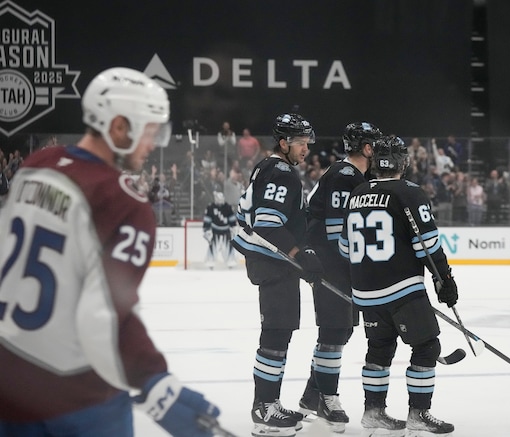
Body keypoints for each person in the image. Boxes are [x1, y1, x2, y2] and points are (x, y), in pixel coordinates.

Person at [0, 67, 220, 437]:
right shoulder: (123, 201)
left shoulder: (37, 164)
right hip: (78, 394)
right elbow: (104, 315)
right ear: (119, 127)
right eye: (149, 131)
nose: (153, 144)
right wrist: (153, 379)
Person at [339, 135, 458, 436]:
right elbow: (428, 246)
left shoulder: (356, 193)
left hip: (365, 293)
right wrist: (444, 279)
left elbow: (344, 248)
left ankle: (373, 412)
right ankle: (418, 413)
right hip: (401, 289)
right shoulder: (409, 192)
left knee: (378, 349)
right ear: (402, 162)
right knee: (427, 345)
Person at [232, 113, 324, 437]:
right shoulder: (280, 170)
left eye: (307, 143)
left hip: (272, 261)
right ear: (284, 143)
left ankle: (269, 402)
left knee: (279, 332)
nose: (306, 149)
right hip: (272, 262)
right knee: (275, 333)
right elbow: (268, 223)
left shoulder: (270, 168)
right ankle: (264, 407)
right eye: (301, 143)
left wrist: (302, 255)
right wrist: (301, 256)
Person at [298, 121, 382, 432]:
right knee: (334, 332)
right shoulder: (346, 177)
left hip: (335, 265)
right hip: (330, 266)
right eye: (375, 144)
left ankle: (311, 395)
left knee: (341, 331)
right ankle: (326, 399)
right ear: (367, 148)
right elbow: (336, 233)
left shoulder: (351, 175)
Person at [203, 191, 238, 269]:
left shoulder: (228, 207)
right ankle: (210, 262)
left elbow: (232, 219)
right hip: (215, 231)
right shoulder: (210, 207)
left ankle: (230, 262)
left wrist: (234, 227)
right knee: (212, 247)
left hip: (226, 231)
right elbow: (207, 219)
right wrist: (206, 229)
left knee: (228, 246)